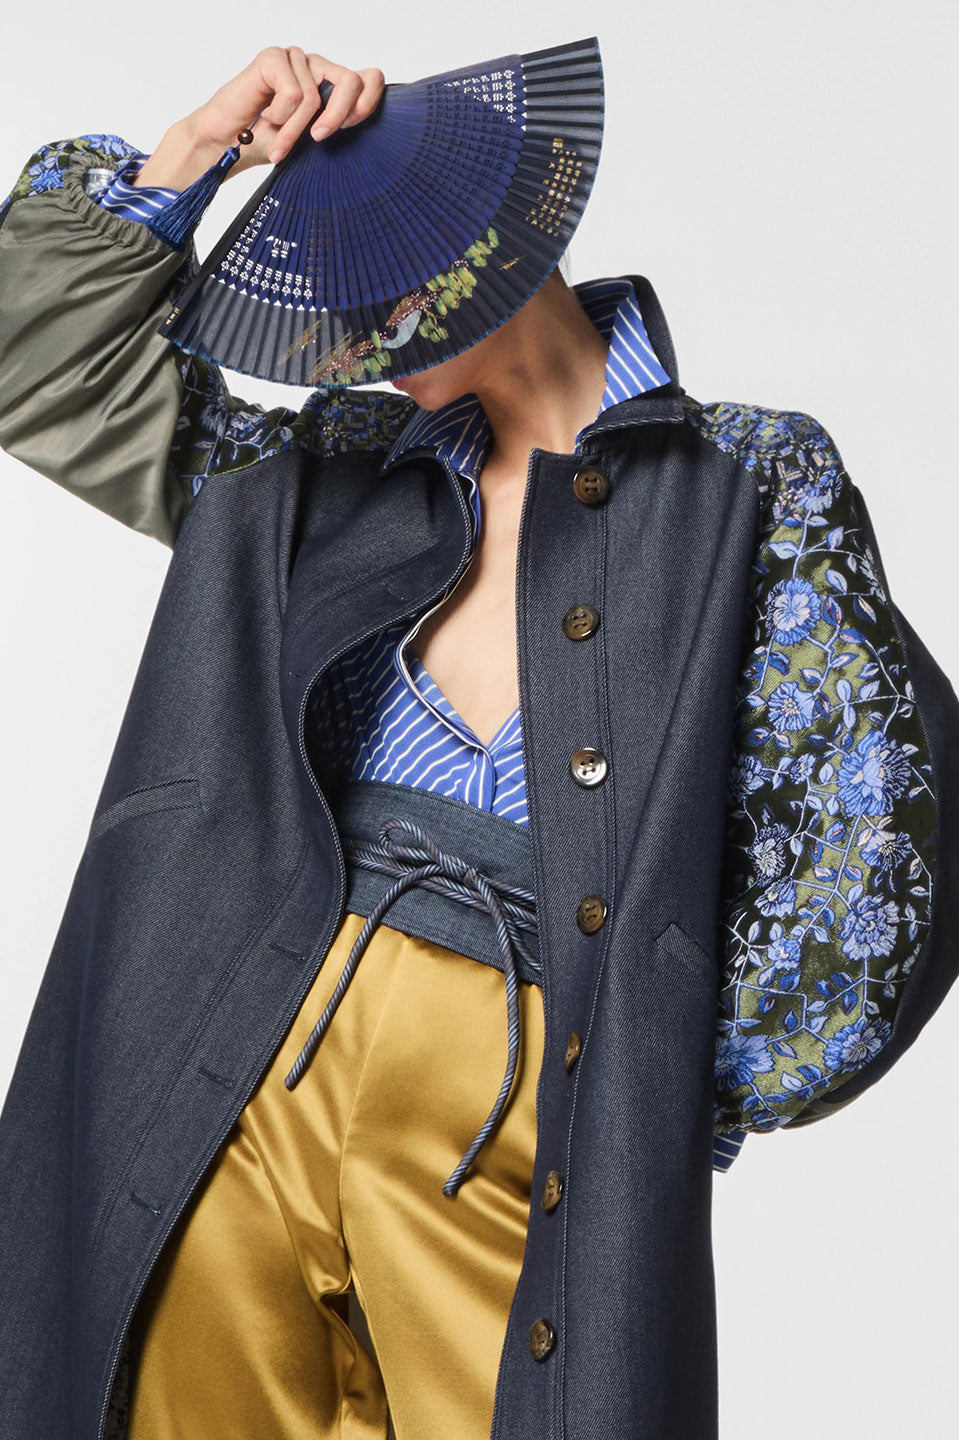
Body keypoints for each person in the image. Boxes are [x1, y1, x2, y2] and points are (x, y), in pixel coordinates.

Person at [1, 43, 957, 1440]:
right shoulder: (325, 468)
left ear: (509, 234)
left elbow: (884, 846)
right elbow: (43, 371)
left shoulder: (743, 481)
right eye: (343, 300)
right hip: (242, 1055)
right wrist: (195, 153)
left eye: (390, 284)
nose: (365, 330)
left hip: (523, 1090)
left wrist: (647, 1067)